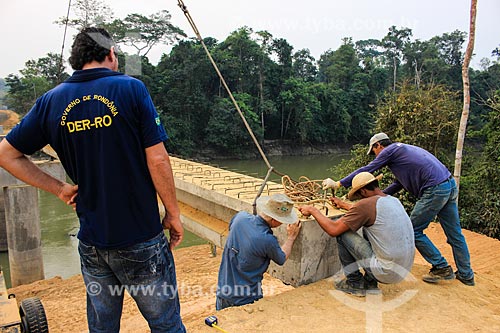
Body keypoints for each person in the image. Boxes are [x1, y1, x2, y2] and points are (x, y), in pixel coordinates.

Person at [0, 27, 186, 332]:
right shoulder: (131, 89)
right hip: (141, 237)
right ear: (111, 54)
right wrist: (174, 214)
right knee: (166, 324)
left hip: (92, 244)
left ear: (76, 60)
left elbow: (6, 154)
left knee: (102, 328)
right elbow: (158, 158)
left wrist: (59, 188)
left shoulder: (51, 101)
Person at [323, 133, 475, 286]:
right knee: (455, 234)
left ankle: (441, 267)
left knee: (413, 229)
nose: (375, 156)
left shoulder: (390, 150)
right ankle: (466, 275)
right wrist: (376, 201)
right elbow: (396, 185)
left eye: (374, 151)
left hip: (434, 189)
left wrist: (339, 183)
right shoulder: (403, 153)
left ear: (378, 146)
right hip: (448, 184)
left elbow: (369, 169)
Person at [299, 172, 415, 296]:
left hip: (386, 272)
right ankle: (370, 283)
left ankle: (355, 283)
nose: (360, 199)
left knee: (343, 234)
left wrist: (313, 210)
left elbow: (334, 230)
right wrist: (344, 205)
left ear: (364, 191)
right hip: (404, 269)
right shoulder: (393, 200)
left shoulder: (365, 205)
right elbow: (366, 212)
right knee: (371, 230)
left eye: (359, 196)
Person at [216, 193, 301, 310]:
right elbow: (281, 258)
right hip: (247, 299)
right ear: (274, 220)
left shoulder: (240, 217)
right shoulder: (267, 240)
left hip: (223, 291)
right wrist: (291, 237)